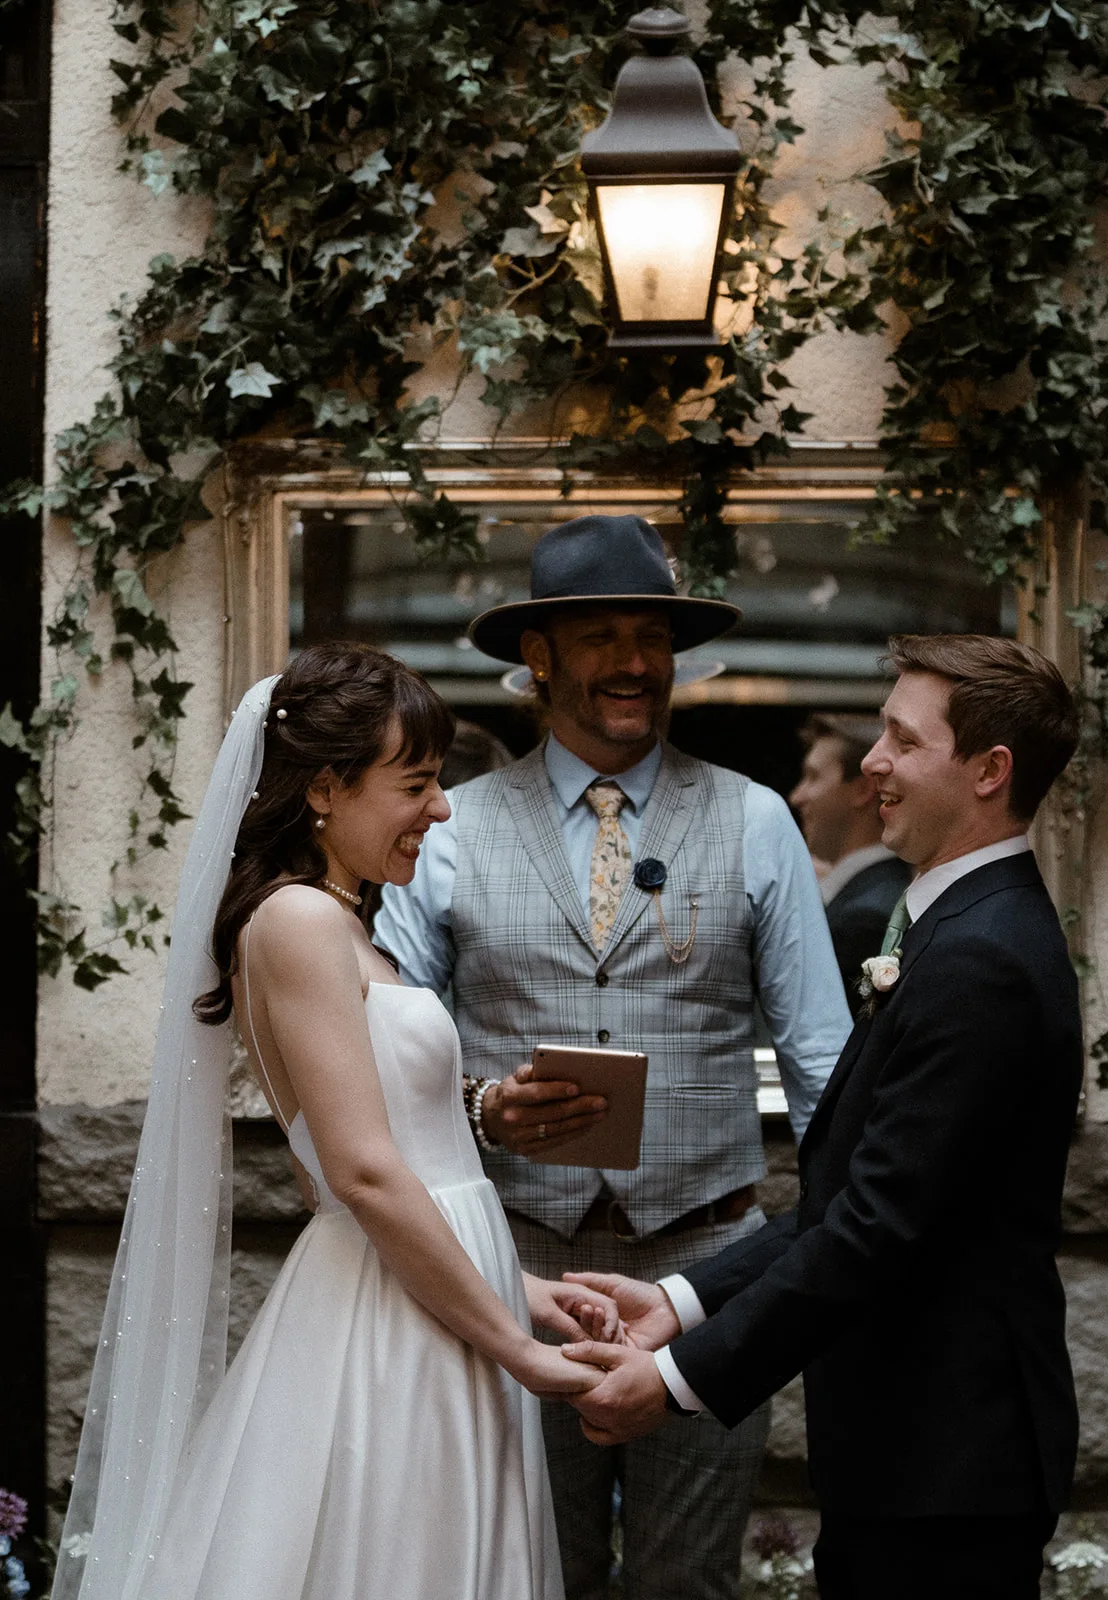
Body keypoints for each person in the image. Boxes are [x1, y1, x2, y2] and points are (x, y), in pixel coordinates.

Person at [50, 642, 624, 1600]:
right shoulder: (300, 923)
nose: (439, 810)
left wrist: (521, 1289)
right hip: (389, 1330)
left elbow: (405, 1159)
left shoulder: (342, 922)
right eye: (417, 784)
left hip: (434, 1299)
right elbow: (355, 1174)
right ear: (324, 787)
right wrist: (517, 1347)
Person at [375, 515, 853, 1600]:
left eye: (653, 636)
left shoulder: (757, 820)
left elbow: (826, 1064)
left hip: (707, 1274)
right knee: (523, 1573)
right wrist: (483, 1104)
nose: (635, 663)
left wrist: (830, 1263)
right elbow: (387, 1054)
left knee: (690, 1585)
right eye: (602, 637)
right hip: (514, 1270)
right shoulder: (449, 827)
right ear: (538, 657)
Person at [561, 633, 1084, 1600]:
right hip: (913, 1455)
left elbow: (877, 1229)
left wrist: (676, 1381)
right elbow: (846, 1198)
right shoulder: (955, 929)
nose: (871, 764)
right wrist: (677, 1304)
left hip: (948, 1462)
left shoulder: (983, 958)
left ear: (988, 771)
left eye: (900, 740)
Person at [789, 712, 911, 1007]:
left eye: (814, 776)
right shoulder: (875, 893)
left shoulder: (864, 918)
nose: (797, 796)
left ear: (863, 789)